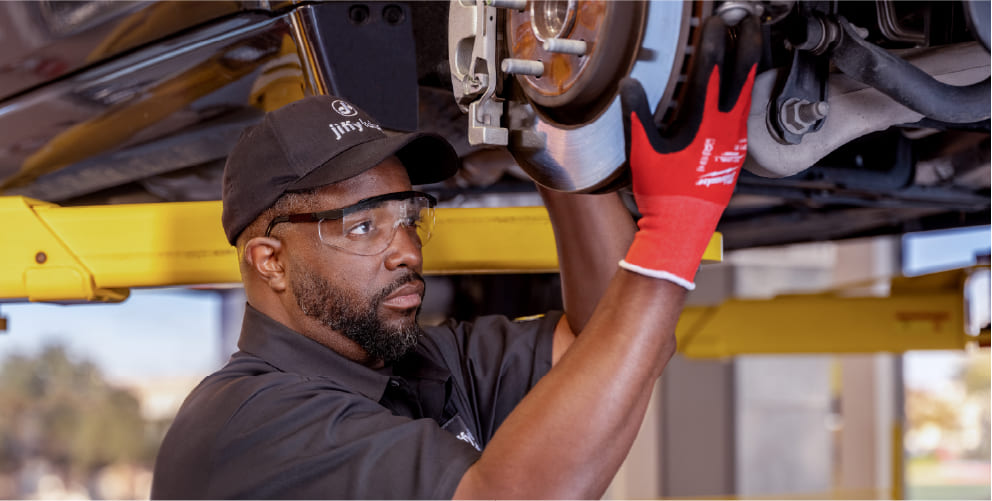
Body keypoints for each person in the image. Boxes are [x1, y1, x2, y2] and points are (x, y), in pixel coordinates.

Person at [151, 14, 759, 500]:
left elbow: (615, 341)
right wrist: (675, 225)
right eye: (364, 227)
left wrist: (548, 127)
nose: (407, 251)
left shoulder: (418, 365)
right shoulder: (244, 425)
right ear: (270, 260)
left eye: (409, 217)